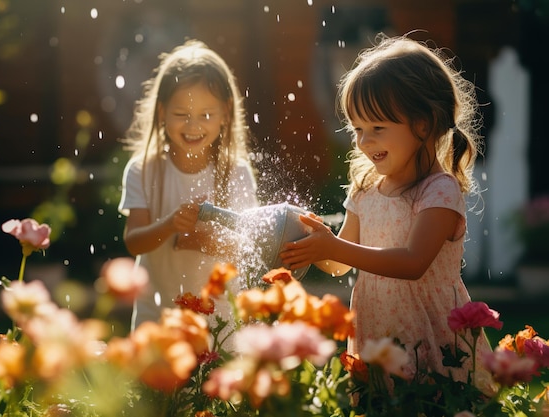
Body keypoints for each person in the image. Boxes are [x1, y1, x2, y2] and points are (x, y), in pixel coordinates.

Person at [280, 34, 494, 390]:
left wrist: (333, 247)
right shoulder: (366, 189)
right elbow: (339, 262)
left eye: (378, 128)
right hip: (377, 335)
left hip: (430, 337)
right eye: (358, 129)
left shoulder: (438, 190)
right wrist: (308, 241)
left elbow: (412, 263)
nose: (364, 142)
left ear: (423, 124)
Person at [118, 40, 258, 325]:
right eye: (181, 115)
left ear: (226, 114)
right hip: (158, 314)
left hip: (220, 320)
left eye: (206, 115)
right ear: (161, 113)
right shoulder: (143, 170)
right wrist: (169, 225)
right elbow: (133, 242)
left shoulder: (236, 172)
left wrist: (203, 239)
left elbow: (250, 244)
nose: (193, 126)